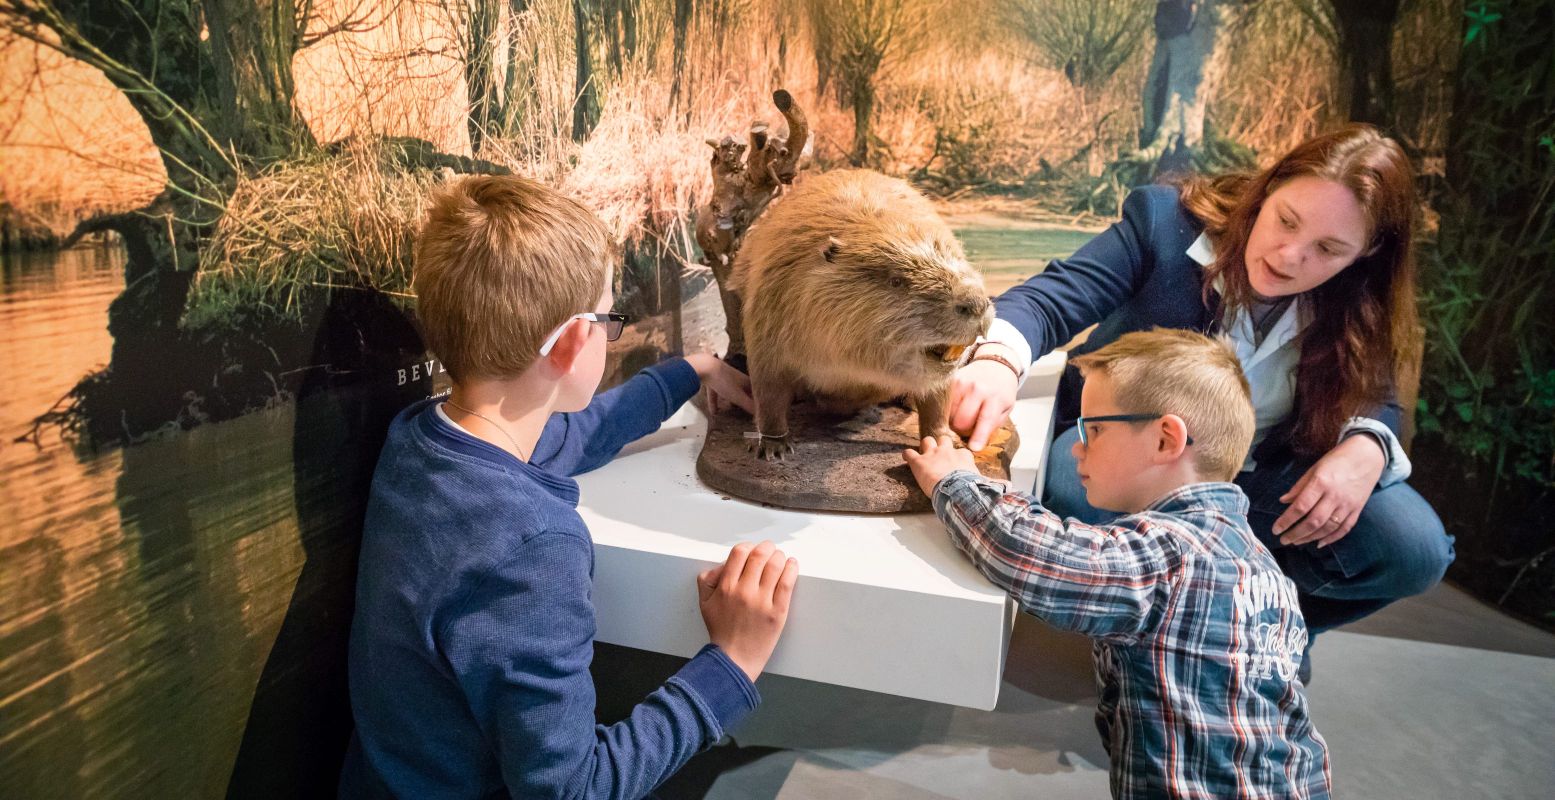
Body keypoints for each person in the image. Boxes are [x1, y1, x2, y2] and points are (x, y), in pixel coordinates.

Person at [339, 175, 798, 799]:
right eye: (609, 319)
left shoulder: (419, 442)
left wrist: (687, 374)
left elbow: (570, 435)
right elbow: (574, 790)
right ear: (577, 339)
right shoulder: (535, 547)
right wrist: (732, 663)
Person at [948, 124, 1453, 676]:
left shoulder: (1359, 297)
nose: (1289, 255)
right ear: (1268, 190)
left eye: (1329, 249)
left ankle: (1264, 630)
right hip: (1136, 443)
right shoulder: (1165, 225)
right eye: (1286, 220)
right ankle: (1158, 640)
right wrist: (997, 361)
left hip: (1262, 473)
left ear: (1366, 253)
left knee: (1414, 546)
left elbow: (1378, 392)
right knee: (1081, 485)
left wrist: (1366, 447)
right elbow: (1051, 299)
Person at [906, 329, 1331, 800]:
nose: (1076, 447)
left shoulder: (1171, 555)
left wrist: (956, 482)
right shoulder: (1263, 567)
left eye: (1095, 429)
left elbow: (1042, 558)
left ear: (1167, 439)